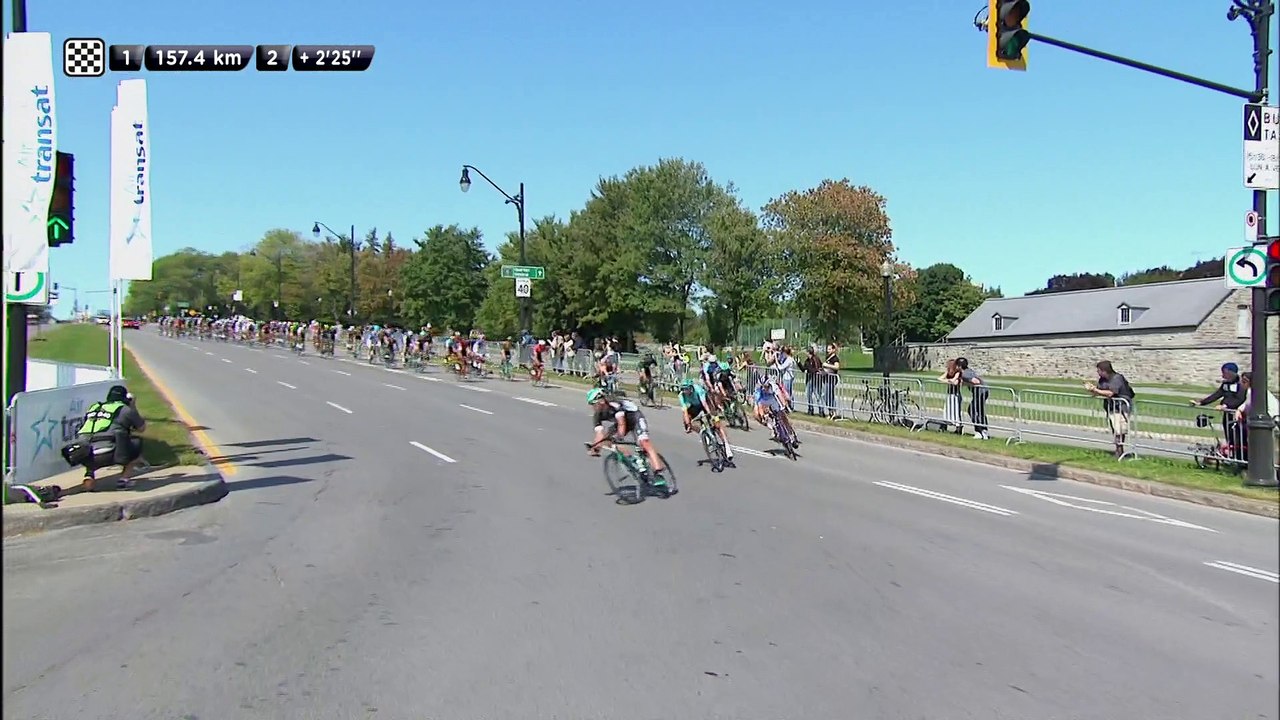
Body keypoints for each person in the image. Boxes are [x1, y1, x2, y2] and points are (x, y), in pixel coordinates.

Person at [585, 388, 668, 486]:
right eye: (591, 405)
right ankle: (630, 459)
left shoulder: (614, 404)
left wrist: (619, 438)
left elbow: (622, 424)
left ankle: (658, 473)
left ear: (601, 401)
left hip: (635, 418)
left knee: (644, 442)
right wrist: (596, 447)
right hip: (622, 421)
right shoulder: (597, 415)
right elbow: (600, 435)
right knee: (608, 439)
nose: (593, 407)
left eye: (594, 404)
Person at [74, 384, 148, 490]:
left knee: (91, 442)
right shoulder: (125, 409)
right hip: (111, 453)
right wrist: (132, 406)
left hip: (85, 456)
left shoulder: (94, 408)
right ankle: (123, 480)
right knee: (136, 443)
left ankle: (89, 476)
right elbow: (141, 428)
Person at [1084, 360, 1136, 459]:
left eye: (1099, 370)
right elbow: (1100, 391)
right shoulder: (1102, 380)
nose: (1097, 372)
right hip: (1111, 407)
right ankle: (1119, 451)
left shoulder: (1117, 378)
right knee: (1115, 430)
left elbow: (1111, 393)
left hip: (1121, 407)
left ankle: (1120, 452)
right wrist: (1092, 390)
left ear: (1104, 370)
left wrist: (1096, 390)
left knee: (1119, 430)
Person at [678, 379, 735, 464]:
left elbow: (704, 404)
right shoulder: (681, 396)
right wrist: (688, 424)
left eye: (686, 389)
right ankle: (704, 434)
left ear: (691, 388)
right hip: (695, 406)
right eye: (683, 389)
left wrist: (711, 416)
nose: (685, 391)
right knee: (687, 421)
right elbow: (685, 411)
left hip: (706, 403)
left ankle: (727, 447)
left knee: (717, 424)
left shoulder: (698, 389)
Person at [753, 373, 799, 449]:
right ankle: (771, 427)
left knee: (782, 415)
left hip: (773, 398)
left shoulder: (773, 386)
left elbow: (780, 396)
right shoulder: (759, 389)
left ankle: (791, 435)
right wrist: (763, 415)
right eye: (764, 387)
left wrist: (784, 406)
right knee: (757, 415)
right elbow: (759, 404)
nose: (765, 388)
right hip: (763, 400)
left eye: (767, 387)